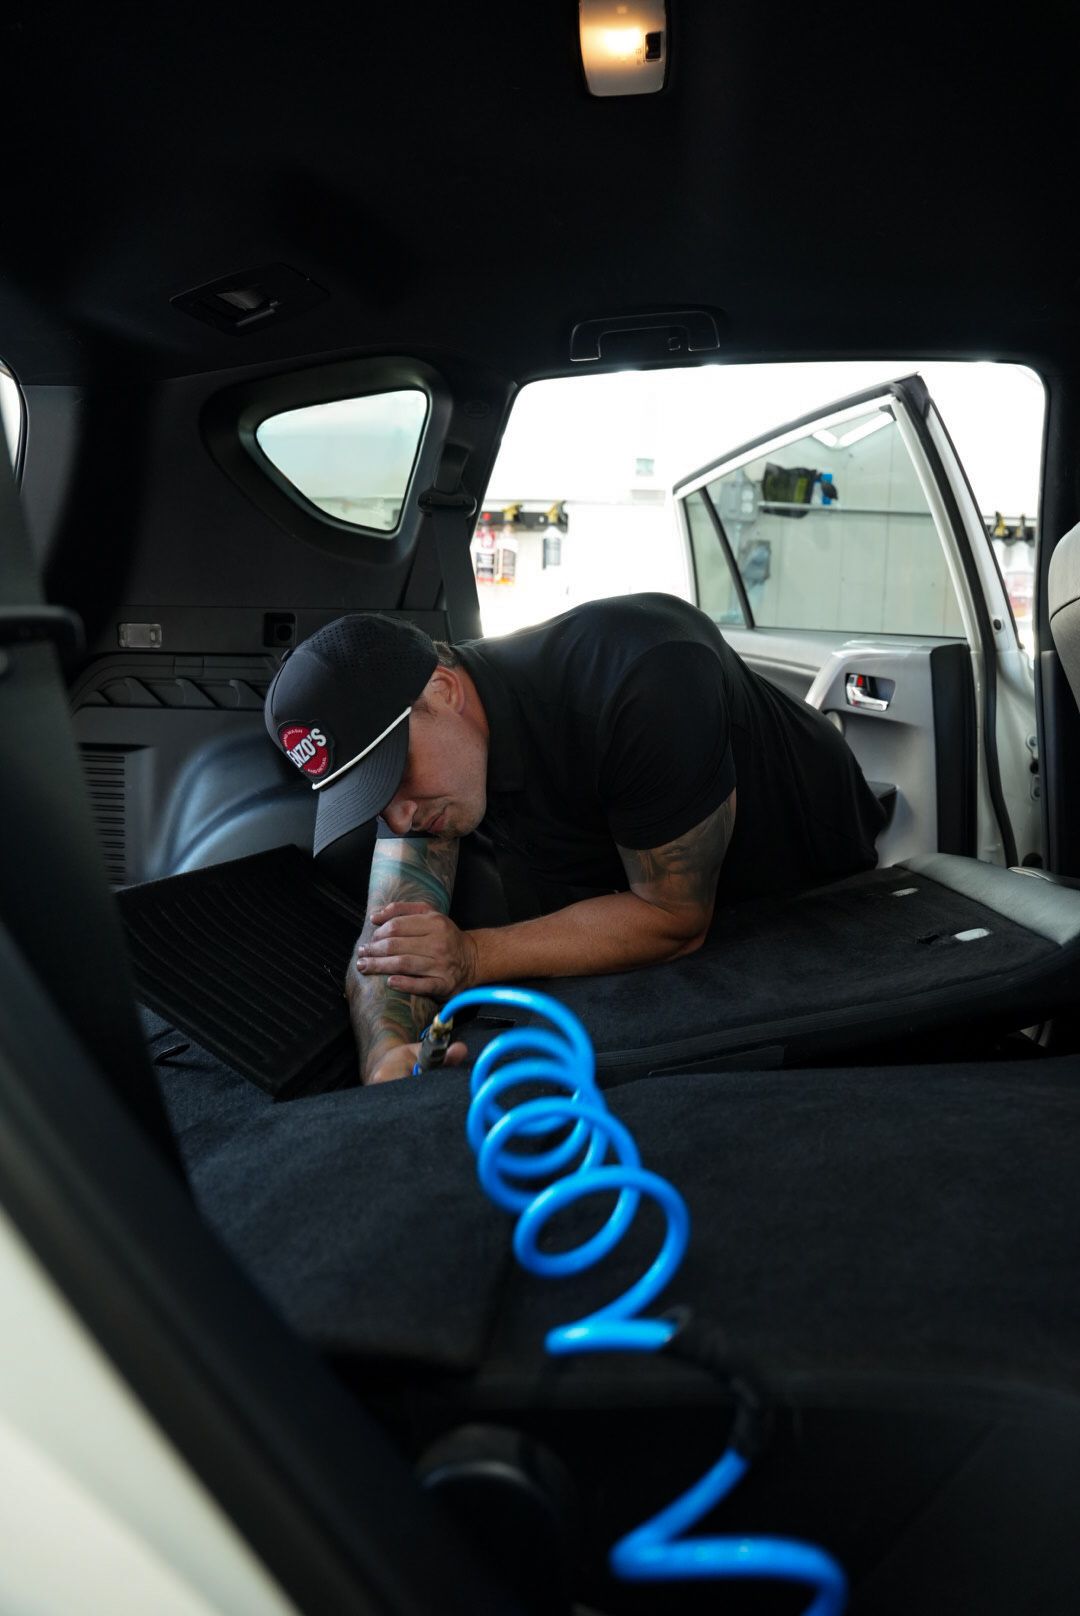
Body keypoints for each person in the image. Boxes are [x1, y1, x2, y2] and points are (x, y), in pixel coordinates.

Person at [264, 594, 885, 1085]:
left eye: (395, 775)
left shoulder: (641, 679)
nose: (398, 820)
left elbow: (675, 919)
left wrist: (473, 956)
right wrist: (387, 1056)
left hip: (809, 878)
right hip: (649, 894)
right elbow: (386, 947)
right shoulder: (428, 770)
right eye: (371, 796)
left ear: (443, 692)